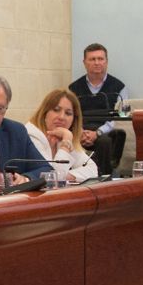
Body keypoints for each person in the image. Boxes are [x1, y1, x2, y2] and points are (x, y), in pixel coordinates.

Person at [68, 43, 127, 175]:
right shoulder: (73, 88)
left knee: (105, 142)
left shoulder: (119, 87)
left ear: (106, 62)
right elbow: (69, 115)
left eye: (100, 59)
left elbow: (121, 117)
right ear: (84, 62)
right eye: (92, 59)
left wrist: (98, 133)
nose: (97, 63)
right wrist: (80, 132)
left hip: (105, 131)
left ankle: (103, 179)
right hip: (80, 130)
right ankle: (75, 178)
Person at [25, 89, 99, 183]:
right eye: (56, 110)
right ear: (44, 112)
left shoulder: (62, 135)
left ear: (74, 119)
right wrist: (66, 142)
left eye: (68, 113)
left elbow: (93, 169)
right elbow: (50, 178)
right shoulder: (31, 135)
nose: (61, 117)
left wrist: (67, 176)